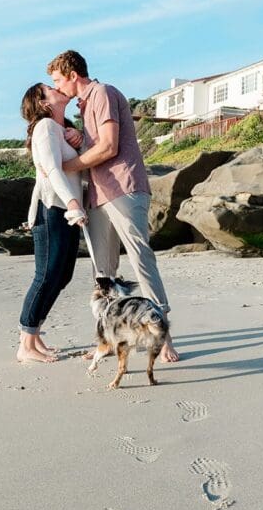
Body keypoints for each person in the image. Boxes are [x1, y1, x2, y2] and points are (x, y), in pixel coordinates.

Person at [48, 49, 179, 364]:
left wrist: (65, 165)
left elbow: (109, 146)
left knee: (140, 259)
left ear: (72, 75)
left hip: (123, 188)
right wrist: (81, 139)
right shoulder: (84, 106)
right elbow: (96, 144)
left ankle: (164, 338)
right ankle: (107, 340)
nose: (55, 86)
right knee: (102, 273)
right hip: (98, 195)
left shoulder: (103, 93)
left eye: (56, 80)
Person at [17, 83, 86, 364]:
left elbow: (77, 166)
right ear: (44, 102)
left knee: (62, 275)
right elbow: (51, 170)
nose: (58, 87)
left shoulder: (61, 129)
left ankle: (35, 336)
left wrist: (81, 140)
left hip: (65, 209)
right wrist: (72, 202)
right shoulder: (45, 127)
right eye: (50, 88)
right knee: (46, 275)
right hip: (51, 209)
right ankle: (25, 344)